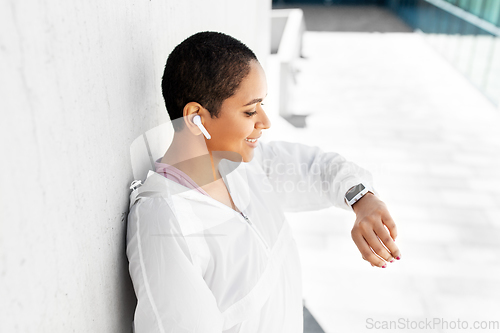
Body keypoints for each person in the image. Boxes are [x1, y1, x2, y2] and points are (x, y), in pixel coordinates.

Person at [126, 31, 401, 333]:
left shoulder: (243, 165)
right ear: (195, 118)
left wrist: (362, 199)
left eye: (262, 105)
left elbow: (317, 169)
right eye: (250, 110)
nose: (265, 122)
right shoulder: (165, 219)